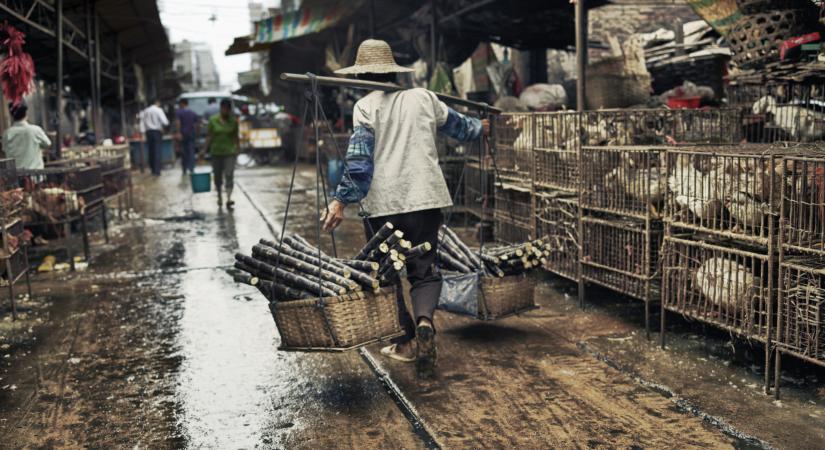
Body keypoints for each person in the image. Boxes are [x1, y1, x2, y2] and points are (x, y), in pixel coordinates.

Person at [321, 39, 489, 376]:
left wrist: (340, 200)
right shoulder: (424, 97)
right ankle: (426, 320)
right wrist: (481, 127)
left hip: (384, 205)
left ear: (363, 74)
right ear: (393, 71)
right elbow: (460, 127)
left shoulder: (365, 107)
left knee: (387, 275)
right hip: (425, 200)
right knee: (424, 270)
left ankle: (407, 340)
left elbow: (359, 163)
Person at [205, 99, 239, 209]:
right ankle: (219, 195)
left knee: (229, 174)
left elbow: (235, 136)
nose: (225, 111)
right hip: (216, 152)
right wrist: (203, 150)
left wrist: (238, 149)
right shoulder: (213, 120)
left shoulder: (233, 121)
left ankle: (229, 198)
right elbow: (209, 136)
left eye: (227, 109)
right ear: (220, 109)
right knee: (217, 176)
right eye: (223, 109)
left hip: (229, 152)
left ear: (229, 110)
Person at [2, 102, 50, 170]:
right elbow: (48, 144)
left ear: (11, 115)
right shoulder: (35, 130)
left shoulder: (6, 134)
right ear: (26, 114)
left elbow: (4, 150)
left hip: (15, 176)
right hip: (35, 175)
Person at [140, 99, 169, 176]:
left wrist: (143, 133)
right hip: (156, 132)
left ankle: (152, 170)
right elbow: (165, 122)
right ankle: (157, 171)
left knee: (151, 151)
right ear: (156, 102)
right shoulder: (158, 110)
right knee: (157, 151)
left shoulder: (145, 111)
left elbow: (142, 123)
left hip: (148, 132)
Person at [175, 98, 199, 174]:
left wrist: (178, 133)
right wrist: (197, 134)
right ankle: (191, 168)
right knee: (191, 151)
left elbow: (178, 122)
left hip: (183, 134)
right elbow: (197, 125)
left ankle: (184, 169)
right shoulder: (193, 113)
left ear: (182, 103)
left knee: (184, 152)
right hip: (191, 134)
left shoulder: (179, 112)